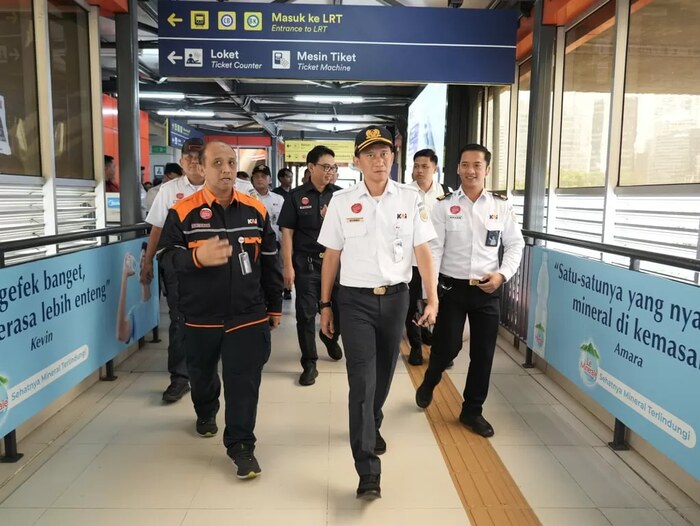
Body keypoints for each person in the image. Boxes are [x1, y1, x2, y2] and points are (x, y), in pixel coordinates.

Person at [317, 126, 438, 500]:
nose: (378, 160)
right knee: (362, 381)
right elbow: (331, 256)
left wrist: (432, 298)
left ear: (393, 158)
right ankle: (367, 468)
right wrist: (325, 305)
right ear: (357, 161)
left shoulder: (410, 199)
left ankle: (372, 420)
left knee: (384, 375)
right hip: (354, 302)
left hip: (397, 299)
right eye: (370, 154)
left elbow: (422, 251)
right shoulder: (342, 202)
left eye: (384, 153)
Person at [157, 140, 283, 479]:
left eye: (230, 162)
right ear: (201, 168)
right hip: (200, 315)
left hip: (247, 313)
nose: (226, 169)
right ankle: (205, 408)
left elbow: (270, 261)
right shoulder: (182, 212)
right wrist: (196, 257)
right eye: (217, 163)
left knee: (244, 381)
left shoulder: (254, 210)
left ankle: (241, 446)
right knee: (201, 374)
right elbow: (165, 257)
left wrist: (274, 306)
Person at [415, 144, 524, 439]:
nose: (470, 170)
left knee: (483, 354)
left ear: (487, 170)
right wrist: (430, 295)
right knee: (448, 346)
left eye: (477, 165)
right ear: (458, 168)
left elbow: (515, 244)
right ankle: (431, 379)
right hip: (452, 288)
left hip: (488, 289)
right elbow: (434, 251)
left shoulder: (501, 206)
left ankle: (472, 411)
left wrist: (502, 274)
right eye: (465, 164)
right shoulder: (444, 205)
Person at [140, 138, 204, 403]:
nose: (193, 162)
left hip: (214, 266)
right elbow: (156, 227)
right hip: (178, 266)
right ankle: (179, 378)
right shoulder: (169, 190)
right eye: (188, 157)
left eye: (198, 157)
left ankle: (207, 371)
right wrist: (148, 262)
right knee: (179, 320)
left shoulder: (221, 186)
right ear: (181, 161)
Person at [278, 146, 343, 386]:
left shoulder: (340, 196)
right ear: (311, 167)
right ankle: (309, 363)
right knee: (305, 315)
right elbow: (287, 232)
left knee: (340, 310)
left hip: (335, 264)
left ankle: (330, 337)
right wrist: (287, 266)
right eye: (325, 167)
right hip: (307, 264)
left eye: (333, 168)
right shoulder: (295, 196)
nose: (330, 171)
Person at [405, 149, 452, 366]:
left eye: (425, 166)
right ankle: (416, 346)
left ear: (435, 168)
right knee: (411, 306)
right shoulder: (405, 193)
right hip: (412, 262)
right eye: (416, 166)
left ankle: (438, 350)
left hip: (439, 262)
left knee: (439, 304)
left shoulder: (447, 194)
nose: (420, 170)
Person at [116, 243, 153, 344]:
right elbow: (121, 335)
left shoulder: (154, 304)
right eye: (140, 258)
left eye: (144, 258)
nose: (140, 262)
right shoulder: (135, 312)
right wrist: (124, 276)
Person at [251, 165, 285, 244]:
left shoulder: (279, 199)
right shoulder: (246, 198)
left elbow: (284, 224)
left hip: (274, 242)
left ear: (270, 180)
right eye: (256, 176)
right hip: (253, 241)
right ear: (252, 180)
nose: (260, 179)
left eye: (263, 176)